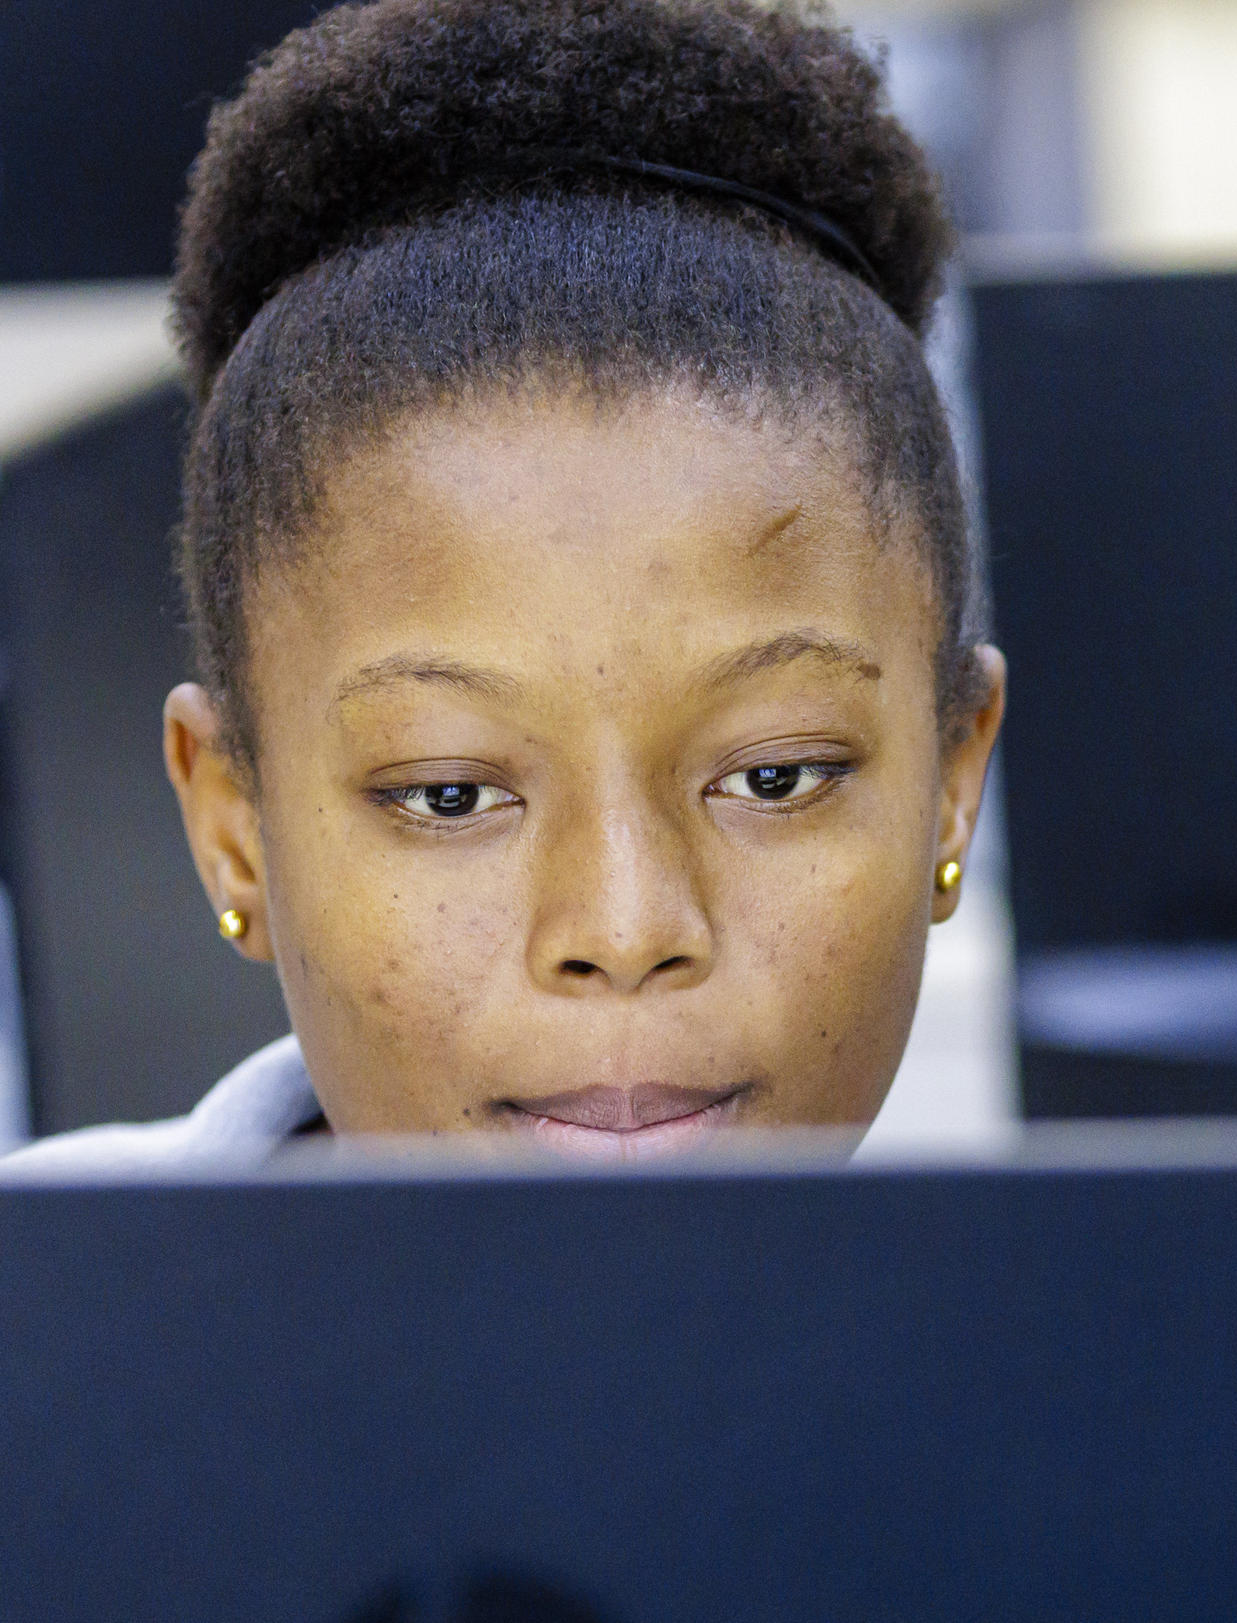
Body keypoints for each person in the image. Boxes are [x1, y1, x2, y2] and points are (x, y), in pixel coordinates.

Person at [4, 0, 1002, 1169]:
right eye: (447, 795)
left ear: (952, 782)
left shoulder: (1125, 1290)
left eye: (774, 777)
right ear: (233, 827)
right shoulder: (42, 1281)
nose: (625, 930)